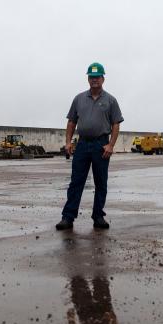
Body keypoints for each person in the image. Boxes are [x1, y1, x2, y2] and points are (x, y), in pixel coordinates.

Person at [56, 62, 123, 230]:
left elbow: (116, 124)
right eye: (91, 77)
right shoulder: (79, 99)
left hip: (101, 145)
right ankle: (68, 217)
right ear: (88, 79)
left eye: (97, 77)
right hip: (83, 144)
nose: (94, 80)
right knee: (76, 182)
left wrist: (110, 145)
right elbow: (72, 122)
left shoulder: (110, 100)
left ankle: (98, 216)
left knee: (101, 182)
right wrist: (68, 142)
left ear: (103, 79)